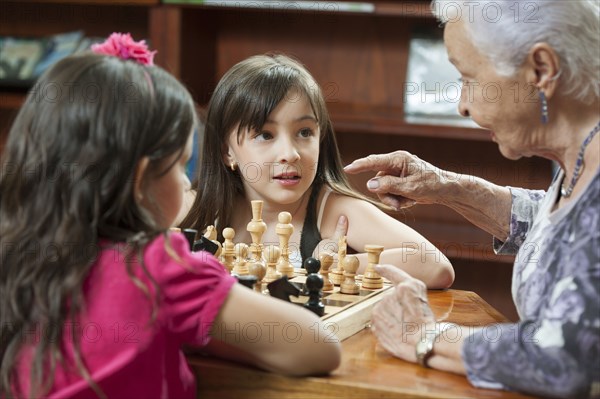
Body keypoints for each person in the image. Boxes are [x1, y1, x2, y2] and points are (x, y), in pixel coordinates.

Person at [0, 33, 341, 399]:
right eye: (181, 165)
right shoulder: (159, 266)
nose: (185, 182)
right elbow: (317, 347)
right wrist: (203, 331)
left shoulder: (15, 252)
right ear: (141, 178)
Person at [345, 1, 600, 397]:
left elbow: (564, 356)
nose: (462, 105)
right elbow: (566, 235)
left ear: (541, 70)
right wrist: (445, 186)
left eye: (469, 78)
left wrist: (427, 336)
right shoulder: (584, 157)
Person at [180, 54, 454, 289]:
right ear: (226, 151)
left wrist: (336, 265)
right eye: (265, 134)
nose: (290, 153)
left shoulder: (333, 210)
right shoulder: (199, 207)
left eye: (304, 132)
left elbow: (436, 267)